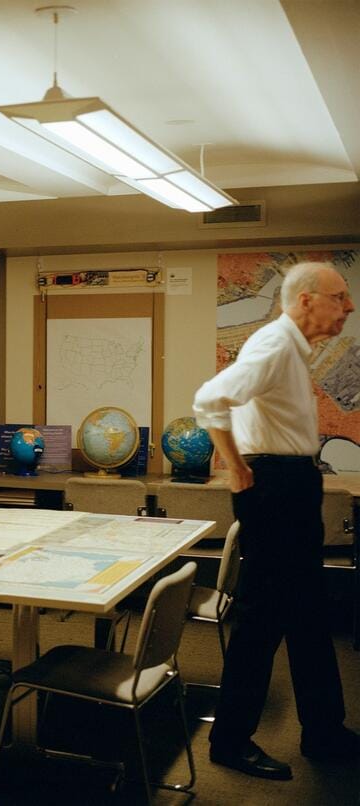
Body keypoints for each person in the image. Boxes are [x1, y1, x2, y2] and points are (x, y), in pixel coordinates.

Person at [192, 261, 359, 781]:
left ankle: (324, 730)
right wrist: (238, 469)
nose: (348, 307)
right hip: (276, 490)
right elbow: (209, 398)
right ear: (306, 300)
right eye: (340, 297)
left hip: (291, 486)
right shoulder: (274, 343)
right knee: (262, 619)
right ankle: (229, 740)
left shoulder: (289, 347)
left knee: (309, 615)